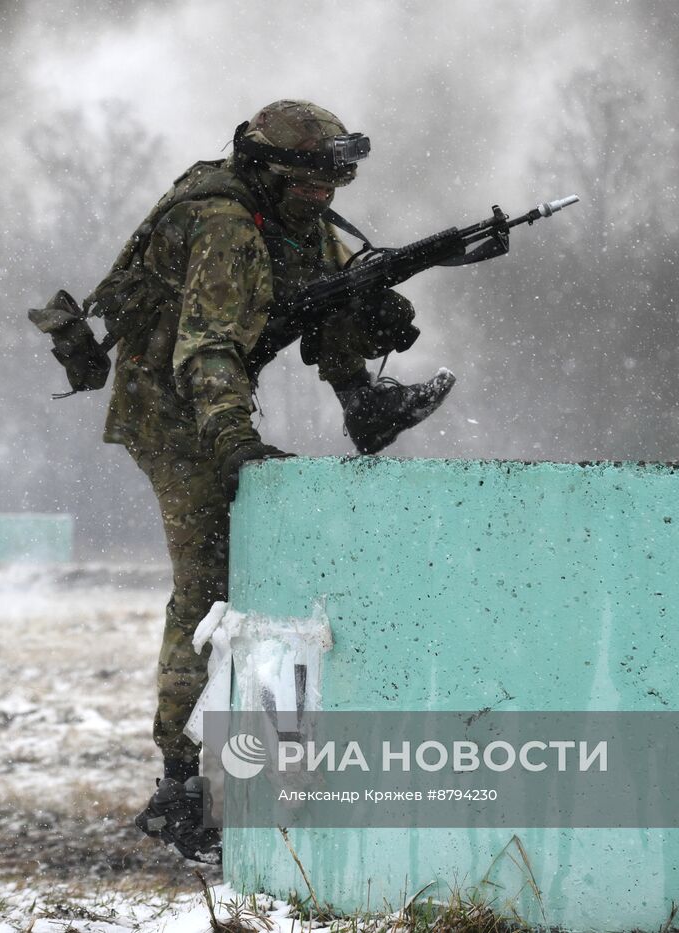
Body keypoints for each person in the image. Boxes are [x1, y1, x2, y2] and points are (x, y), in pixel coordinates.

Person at [87, 100, 456, 862]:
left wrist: (365, 331)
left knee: (237, 582)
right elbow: (209, 349)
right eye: (309, 185)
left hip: (214, 395)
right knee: (207, 586)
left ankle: (236, 767)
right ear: (268, 173)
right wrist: (233, 441)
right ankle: (180, 783)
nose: (323, 199)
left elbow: (315, 305)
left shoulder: (298, 212)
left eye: (332, 185)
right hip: (172, 408)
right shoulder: (225, 225)